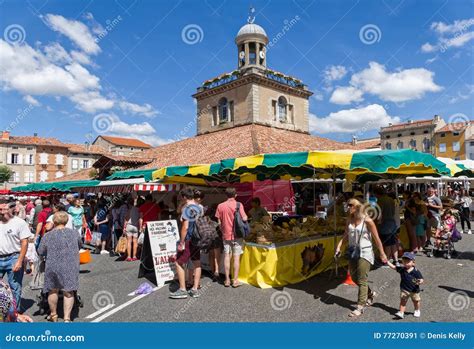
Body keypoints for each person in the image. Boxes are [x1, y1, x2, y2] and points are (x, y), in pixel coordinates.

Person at [335, 198, 387, 317]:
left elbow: (376, 238)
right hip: (353, 252)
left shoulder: (367, 220)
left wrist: (382, 253)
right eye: (347, 205)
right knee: (354, 277)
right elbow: (345, 236)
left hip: (365, 252)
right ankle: (370, 294)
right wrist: (339, 246)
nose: (347, 207)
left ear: (357, 207)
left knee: (362, 279)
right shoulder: (349, 220)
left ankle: (360, 306)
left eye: (350, 205)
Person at [38, 212, 81, 322]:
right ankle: (67, 318)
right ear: (66, 221)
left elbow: (40, 251)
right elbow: (80, 245)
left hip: (53, 265)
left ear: (54, 221)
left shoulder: (48, 235)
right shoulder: (75, 233)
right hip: (70, 264)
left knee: (52, 290)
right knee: (69, 291)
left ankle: (54, 315)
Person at [0, 197, 32, 311]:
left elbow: (24, 242)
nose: (1, 209)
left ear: (10, 208)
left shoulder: (19, 223)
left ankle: (14, 313)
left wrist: (20, 260)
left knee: (15, 286)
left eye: (4, 207)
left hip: (13, 257)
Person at [169, 188, 202, 299]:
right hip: (197, 239)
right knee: (197, 263)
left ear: (184, 197)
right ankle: (195, 289)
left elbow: (186, 226)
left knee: (179, 262)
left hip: (188, 239)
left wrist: (181, 242)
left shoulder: (187, 208)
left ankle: (182, 289)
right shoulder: (198, 207)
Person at [215, 187, 248, 288]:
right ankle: (235, 281)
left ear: (226, 195)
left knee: (226, 256)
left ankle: (227, 280)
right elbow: (245, 218)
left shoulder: (220, 206)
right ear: (235, 195)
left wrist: (223, 230)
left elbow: (219, 222)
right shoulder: (239, 205)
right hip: (237, 236)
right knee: (236, 258)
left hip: (226, 236)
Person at [386, 252, 423, 319]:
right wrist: (387, 262)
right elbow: (394, 267)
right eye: (404, 261)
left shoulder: (416, 271)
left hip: (414, 290)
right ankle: (401, 312)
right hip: (404, 289)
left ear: (413, 263)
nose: (406, 263)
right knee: (403, 301)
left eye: (408, 261)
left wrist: (419, 282)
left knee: (416, 301)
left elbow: (421, 279)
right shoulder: (402, 269)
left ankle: (417, 310)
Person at [374, 187, 398, 264]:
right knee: (393, 242)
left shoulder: (380, 201)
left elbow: (379, 214)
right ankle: (396, 260)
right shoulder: (391, 199)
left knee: (387, 242)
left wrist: (376, 223)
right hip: (392, 222)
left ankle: (386, 260)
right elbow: (393, 211)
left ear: (377, 194)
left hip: (385, 223)